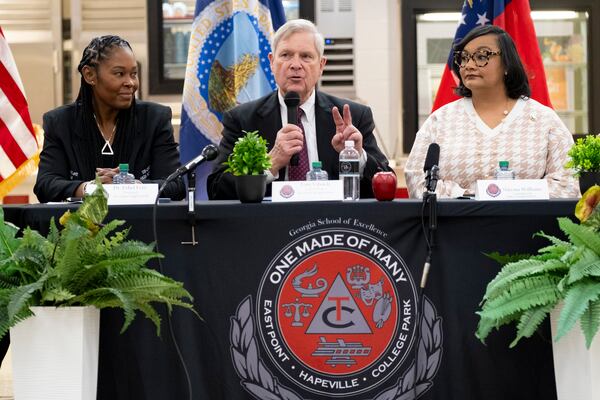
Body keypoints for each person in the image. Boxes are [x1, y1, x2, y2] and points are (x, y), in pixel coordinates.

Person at [207, 19, 391, 200]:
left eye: (306, 56)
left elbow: (386, 186)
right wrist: (270, 163)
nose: (295, 65)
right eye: (286, 55)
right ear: (272, 62)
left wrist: (356, 156)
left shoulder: (353, 117)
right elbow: (217, 189)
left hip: (333, 224)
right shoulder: (243, 119)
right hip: (268, 225)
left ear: (321, 66)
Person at [404, 25, 580, 199]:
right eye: (464, 58)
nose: (469, 65)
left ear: (507, 65)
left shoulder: (544, 119)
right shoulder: (440, 120)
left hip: (528, 226)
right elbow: (417, 181)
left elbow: (566, 186)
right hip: (456, 225)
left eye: (482, 56)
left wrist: (508, 192)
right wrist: (469, 195)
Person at [34, 35, 185, 202]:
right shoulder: (60, 122)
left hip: (141, 224)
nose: (130, 82)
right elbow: (45, 185)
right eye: (119, 73)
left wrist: (131, 187)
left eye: (133, 74)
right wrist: (91, 188)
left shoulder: (155, 119)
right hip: (81, 226)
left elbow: (175, 186)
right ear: (89, 75)